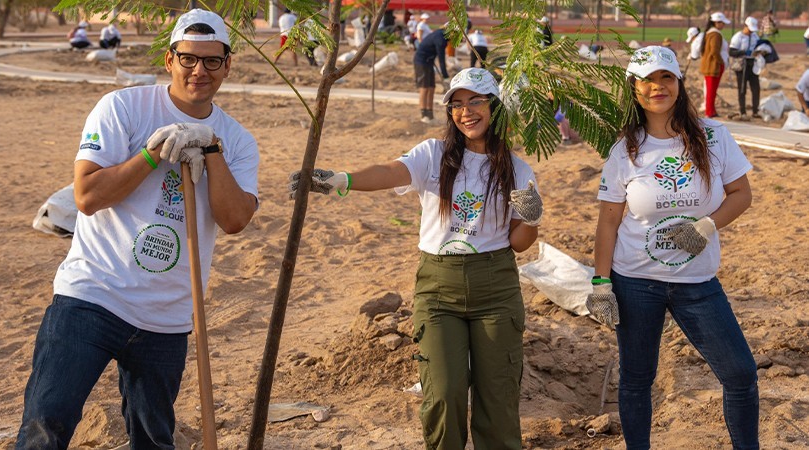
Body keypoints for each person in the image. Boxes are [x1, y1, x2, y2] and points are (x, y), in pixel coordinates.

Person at [15, 9, 259, 448]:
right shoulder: (122, 107)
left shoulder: (237, 140)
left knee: (153, 439)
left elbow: (235, 219)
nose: (199, 70)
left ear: (228, 65)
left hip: (167, 317)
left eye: (211, 60)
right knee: (45, 428)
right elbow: (87, 197)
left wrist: (211, 148)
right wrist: (150, 156)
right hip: (92, 297)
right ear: (169, 60)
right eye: (188, 58)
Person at [289, 67, 542, 450]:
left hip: (496, 289)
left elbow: (520, 242)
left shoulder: (518, 171)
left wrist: (533, 216)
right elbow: (390, 171)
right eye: (456, 104)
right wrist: (343, 180)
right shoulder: (434, 155)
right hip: (439, 289)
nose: (466, 111)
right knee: (443, 393)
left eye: (476, 101)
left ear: (496, 106)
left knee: (499, 398)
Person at [588, 45, 758, 450]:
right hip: (636, 283)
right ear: (634, 89)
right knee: (636, 380)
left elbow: (741, 193)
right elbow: (609, 222)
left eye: (665, 77)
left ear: (679, 84)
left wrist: (707, 224)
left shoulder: (714, 136)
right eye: (646, 80)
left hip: (697, 283)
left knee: (740, 374)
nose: (657, 87)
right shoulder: (624, 149)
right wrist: (600, 282)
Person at [413, 25, 453, 123]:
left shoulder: (441, 35)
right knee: (424, 88)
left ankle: (430, 115)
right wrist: (446, 76)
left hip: (429, 62)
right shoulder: (440, 38)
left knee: (431, 88)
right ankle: (424, 116)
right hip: (421, 62)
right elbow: (441, 59)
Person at [728, 17, 761, 120]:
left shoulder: (755, 36)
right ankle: (743, 111)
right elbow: (731, 52)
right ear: (745, 26)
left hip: (753, 64)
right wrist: (743, 52)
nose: (751, 32)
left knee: (756, 88)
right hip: (742, 65)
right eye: (749, 29)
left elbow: (759, 47)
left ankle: (755, 111)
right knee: (742, 89)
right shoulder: (738, 37)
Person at [700, 12, 730, 118]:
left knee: (711, 90)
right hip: (714, 66)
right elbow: (714, 51)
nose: (723, 25)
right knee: (711, 90)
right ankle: (709, 112)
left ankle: (711, 110)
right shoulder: (715, 34)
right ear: (716, 23)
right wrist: (721, 62)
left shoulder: (710, 33)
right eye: (722, 23)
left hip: (711, 65)